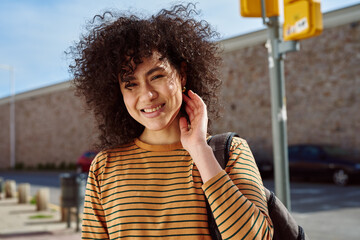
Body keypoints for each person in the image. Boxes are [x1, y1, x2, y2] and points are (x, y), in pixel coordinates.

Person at [68, 3, 273, 239]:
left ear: (182, 73)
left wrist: (199, 150)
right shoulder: (104, 167)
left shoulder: (230, 152)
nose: (147, 95)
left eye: (157, 76)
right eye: (131, 84)